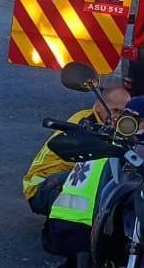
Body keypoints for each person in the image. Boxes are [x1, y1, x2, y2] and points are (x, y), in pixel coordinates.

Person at [44, 96, 144, 268]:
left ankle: (76, 266)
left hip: (57, 227)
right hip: (86, 232)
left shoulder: (104, 141)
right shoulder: (129, 152)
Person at [23, 83, 131, 217]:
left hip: (64, 176)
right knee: (93, 184)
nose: (120, 117)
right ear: (98, 106)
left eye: (125, 113)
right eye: (116, 111)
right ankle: (65, 226)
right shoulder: (85, 122)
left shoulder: (118, 124)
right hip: (42, 185)